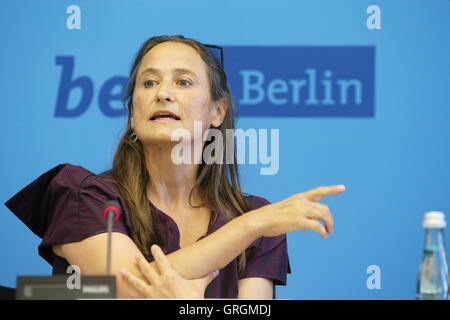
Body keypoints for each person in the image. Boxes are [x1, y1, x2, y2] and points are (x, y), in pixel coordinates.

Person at [5, 35, 345, 299]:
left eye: (183, 82)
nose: (163, 93)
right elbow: (131, 290)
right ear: (133, 110)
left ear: (218, 112)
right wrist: (250, 226)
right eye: (149, 82)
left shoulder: (256, 215)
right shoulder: (83, 194)